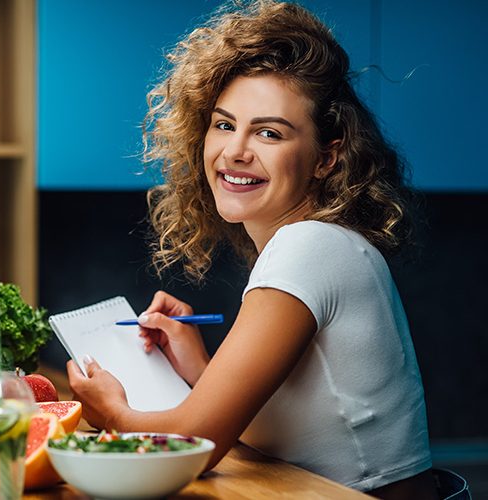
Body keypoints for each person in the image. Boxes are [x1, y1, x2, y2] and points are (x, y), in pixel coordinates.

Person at [66, 1, 437, 498]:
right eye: (223, 124)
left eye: (268, 132)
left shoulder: (309, 246)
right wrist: (198, 367)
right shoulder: (323, 242)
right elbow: (289, 423)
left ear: (327, 156)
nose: (235, 150)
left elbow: (192, 444)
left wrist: (109, 410)